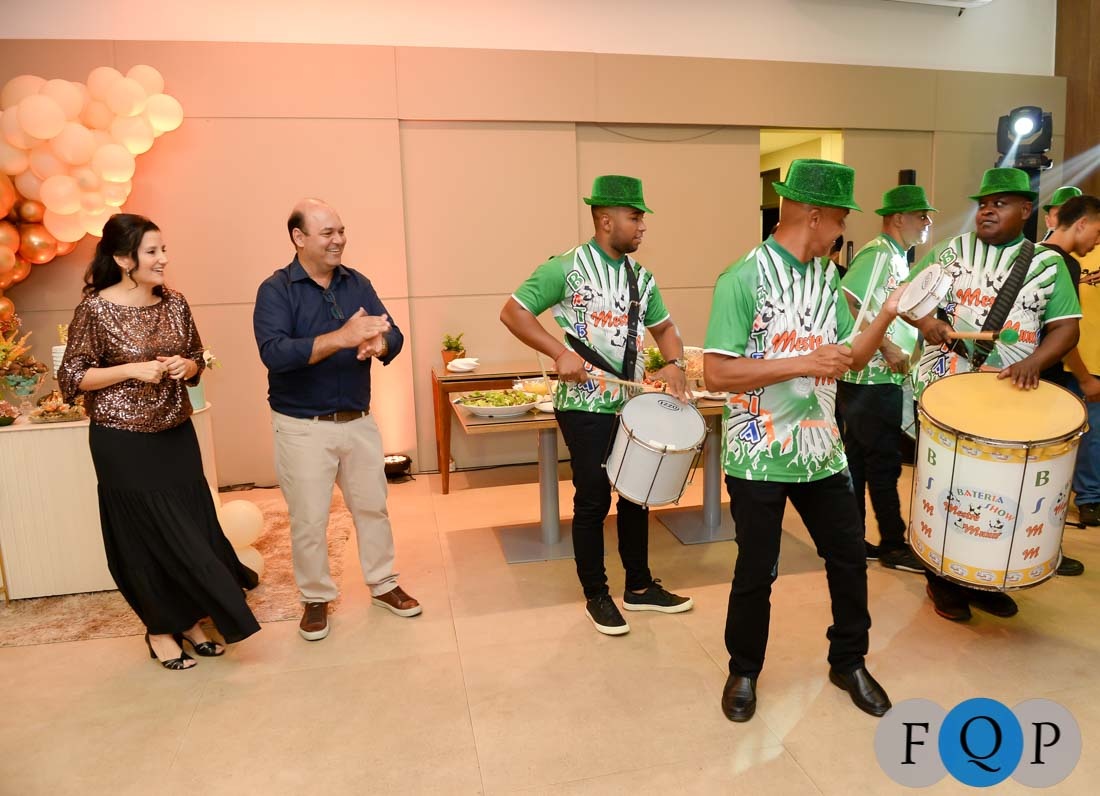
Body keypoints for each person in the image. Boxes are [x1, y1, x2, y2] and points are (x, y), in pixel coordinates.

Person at [704, 159, 899, 722]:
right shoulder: (743, 277)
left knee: (848, 557)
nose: (842, 232)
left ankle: (849, 661)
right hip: (758, 454)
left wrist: (887, 314)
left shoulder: (827, 279)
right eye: (840, 220)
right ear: (815, 217)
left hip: (822, 452)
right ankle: (744, 670)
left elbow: (849, 359)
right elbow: (717, 373)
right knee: (757, 569)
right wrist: (802, 363)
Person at [58, 213, 260, 670]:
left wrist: (186, 367)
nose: (163, 258)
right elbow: (72, 377)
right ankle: (160, 629)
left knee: (189, 528)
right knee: (144, 536)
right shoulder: (95, 310)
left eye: (163, 249)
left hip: (174, 432)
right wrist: (131, 369)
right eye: (152, 251)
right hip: (121, 439)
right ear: (123, 259)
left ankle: (189, 621)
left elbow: (196, 357)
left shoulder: (175, 303)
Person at [500, 175, 693, 636]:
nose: (642, 226)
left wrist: (675, 364)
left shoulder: (642, 278)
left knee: (637, 493)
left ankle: (639, 587)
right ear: (606, 220)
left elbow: (666, 329)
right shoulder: (565, 268)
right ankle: (596, 594)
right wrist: (558, 353)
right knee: (593, 498)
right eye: (635, 216)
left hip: (631, 405)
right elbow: (513, 312)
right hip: (583, 405)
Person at [907, 168, 1082, 621]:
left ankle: (982, 579)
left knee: (992, 494)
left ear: (1026, 210)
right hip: (946, 392)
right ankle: (940, 579)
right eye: (983, 204)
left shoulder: (1046, 265)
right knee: (945, 488)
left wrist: (1034, 362)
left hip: (1008, 400)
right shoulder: (951, 252)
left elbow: (1066, 329)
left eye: (999, 203)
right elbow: (907, 297)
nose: (987, 210)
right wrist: (928, 322)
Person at [253, 198, 419, 642]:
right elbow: (275, 353)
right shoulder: (276, 290)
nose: (339, 240)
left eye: (341, 231)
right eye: (327, 233)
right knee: (309, 519)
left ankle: (383, 583)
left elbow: (393, 332)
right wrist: (341, 338)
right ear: (299, 238)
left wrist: (381, 344)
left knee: (372, 508)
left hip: (359, 420)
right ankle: (315, 598)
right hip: (302, 426)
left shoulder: (356, 282)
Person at [838, 186, 934, 574]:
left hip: (875, 379)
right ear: (898, 218)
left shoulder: (896, 257)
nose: (927, 223)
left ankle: (853, 540)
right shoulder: (877, 254)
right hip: (871, 378)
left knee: (861, 461)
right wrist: (887, 347)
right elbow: (847, 298)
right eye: (921, 216)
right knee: (883, 463)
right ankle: (893, 544)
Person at [1045, 195, 1100, 533]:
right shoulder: (1063, 264)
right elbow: (1063, 333)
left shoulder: (1035, 255)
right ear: (1081, 224)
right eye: (1098, 231)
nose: (1097, 241)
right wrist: (1085, 377)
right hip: (1044, 376)